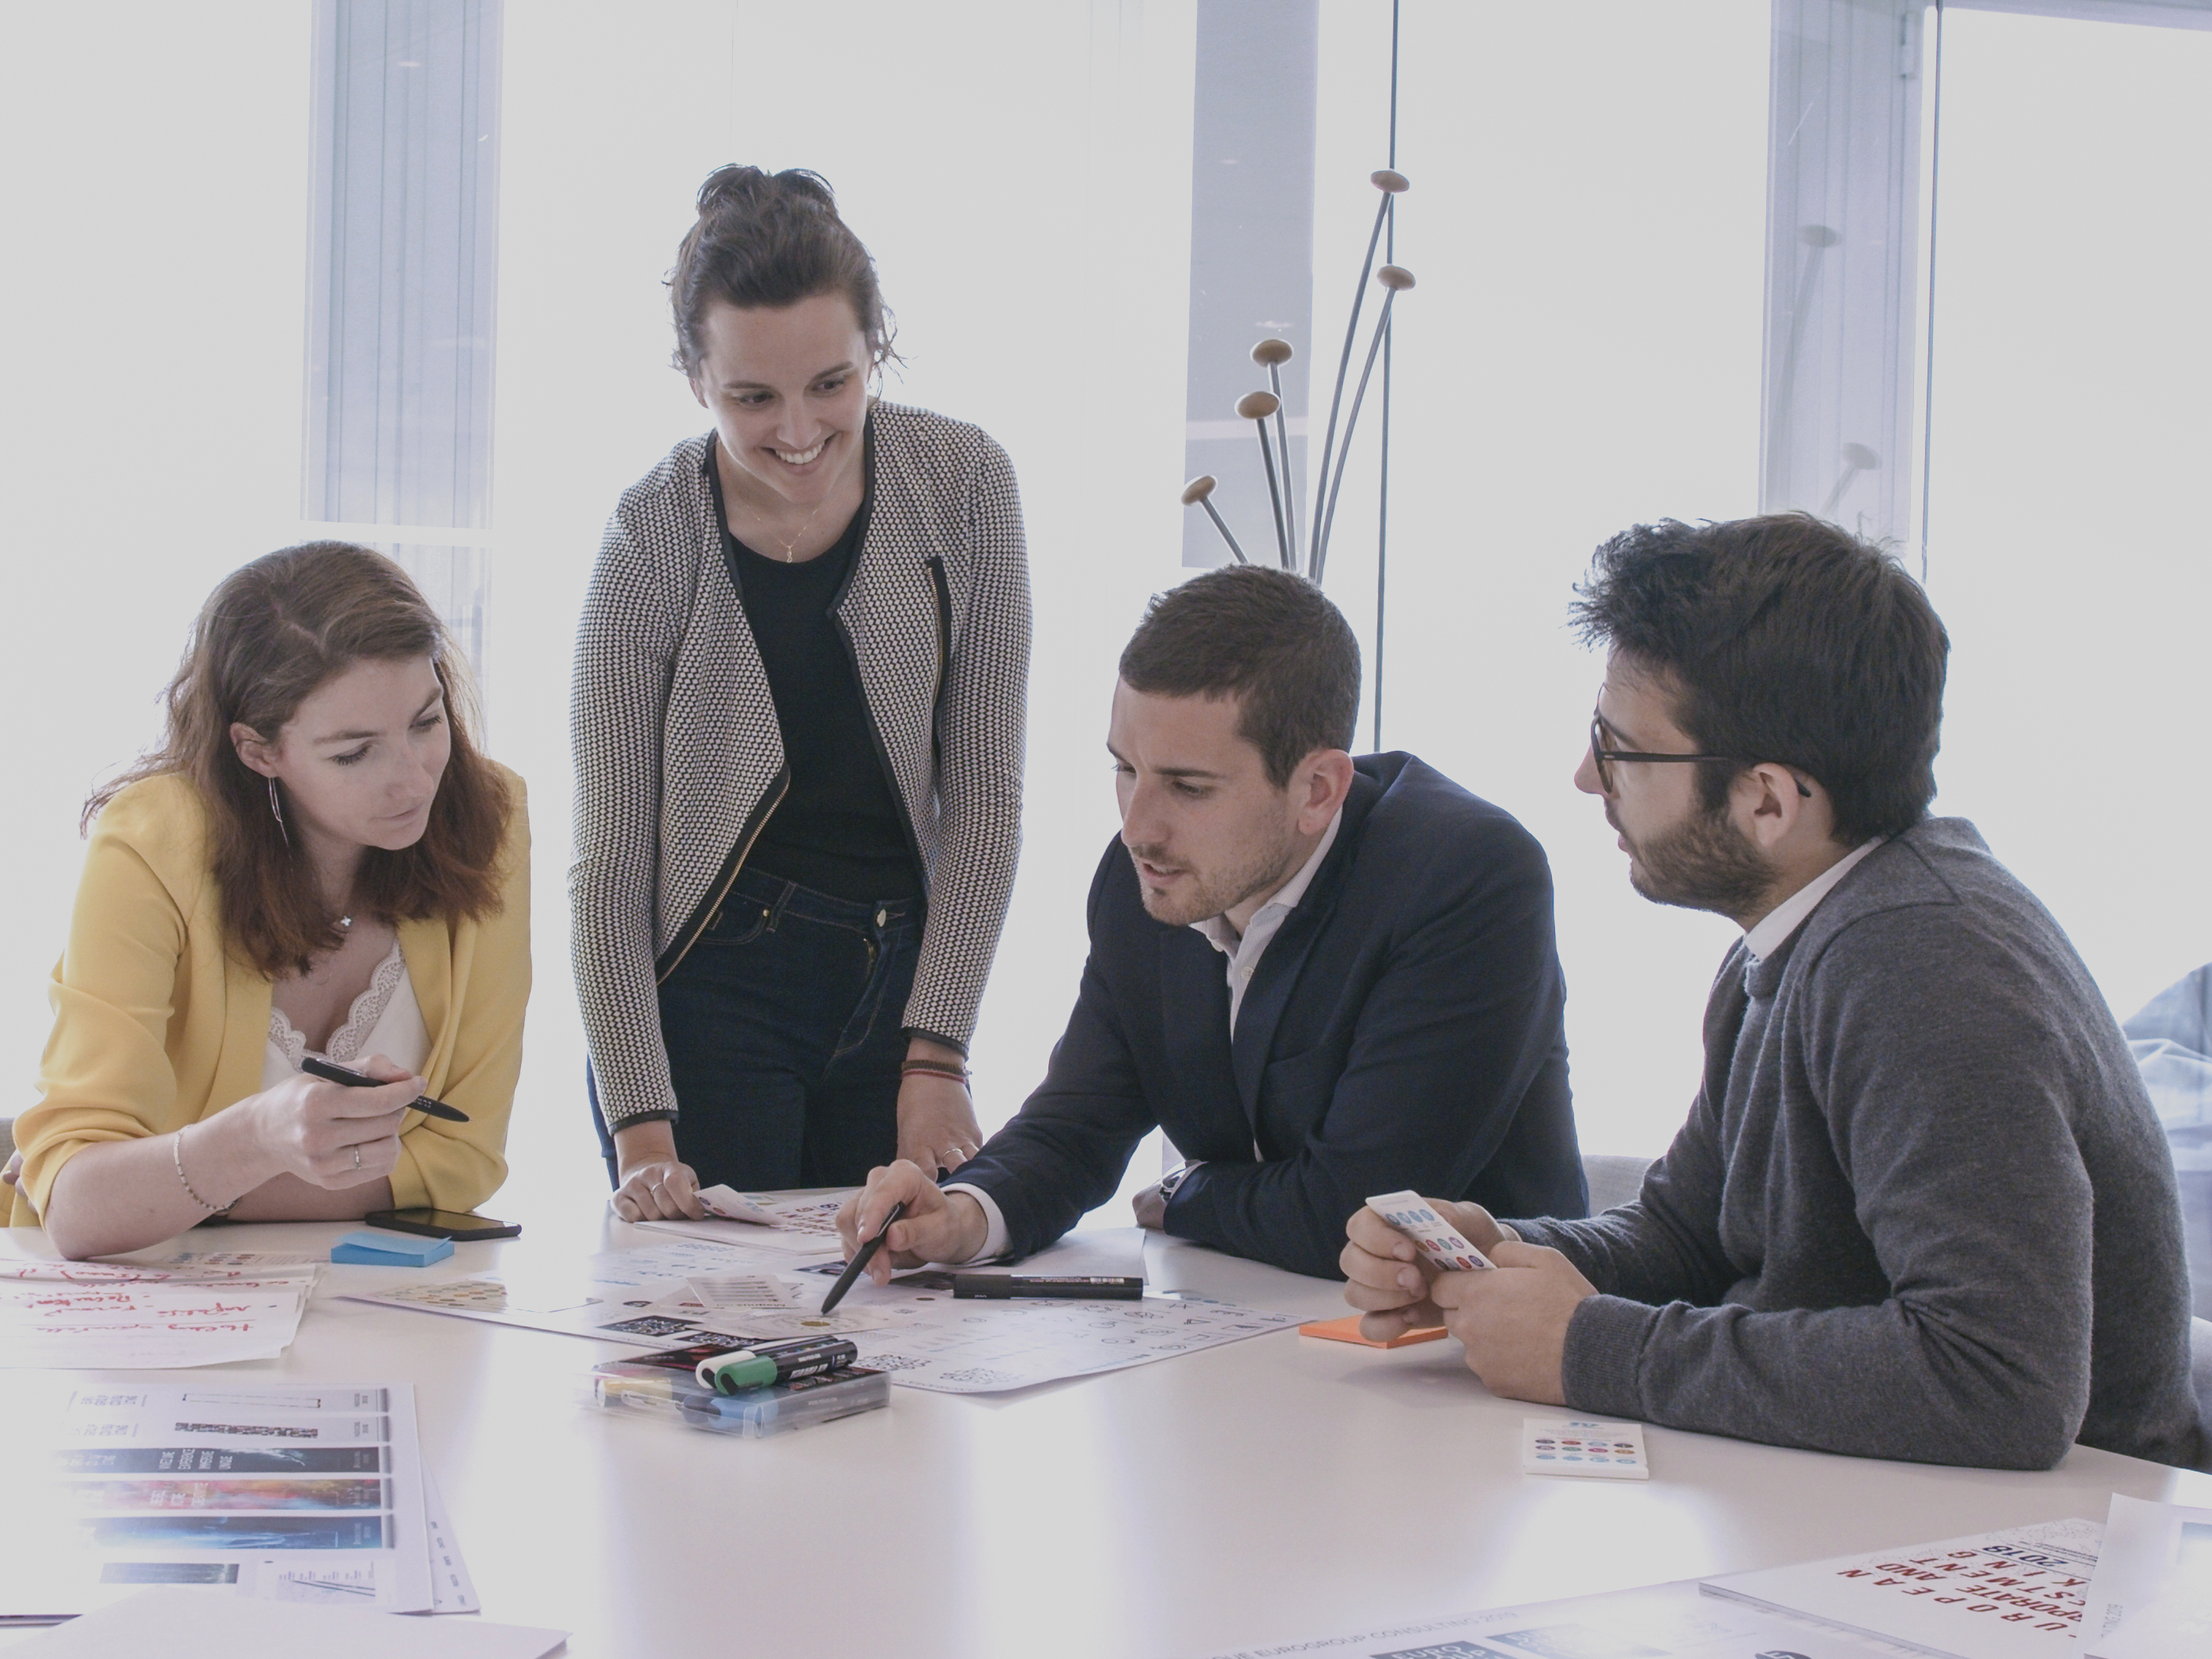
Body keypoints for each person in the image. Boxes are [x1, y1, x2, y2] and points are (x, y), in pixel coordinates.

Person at [1341, 512, 2207, 1472]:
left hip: (2063, 1528)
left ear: (1766, 799)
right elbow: (1687, 1233)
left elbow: (1998, 1380)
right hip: (1863, 1499)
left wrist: (1589, 1347)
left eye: (1618, 747)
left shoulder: (1920, 963)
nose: (1585, 777)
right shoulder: (1804, 930)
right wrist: (1500, 1255)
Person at [835, 564, 1587, 1282]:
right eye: (1125, 769)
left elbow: (1357, 1212)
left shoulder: (1468, 878)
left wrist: (1187, 1191)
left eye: (1188, 787)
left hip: (1461, 1342)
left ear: (1318, 790)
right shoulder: (1144, 879)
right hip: (1245, 1322)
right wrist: (963, 1214)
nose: (1138, 828)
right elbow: (1077, 1124)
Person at [572, 165, 1029, 1223]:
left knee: (899, 1299)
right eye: (752, 398)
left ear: (876, 349)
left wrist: (938, 1047)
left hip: (903, 986)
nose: (797, 430)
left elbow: (984, 797)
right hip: (709, 995)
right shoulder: (649, 537)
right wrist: (642, 1125)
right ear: (695, 379)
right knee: (714, 1314)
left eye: (831, 383)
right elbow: (610, 860)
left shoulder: (966, 482)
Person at [8, 543, 530, 1260]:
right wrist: (257, 1137)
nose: (415, 782)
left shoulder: (489, 816)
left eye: (425, 721)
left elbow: (466, 1161)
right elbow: (78, 1207)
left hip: (371, 1296)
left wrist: (180, 1189)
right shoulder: (154, 840)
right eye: (354, 753)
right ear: (258, 751)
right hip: (143, 1300)